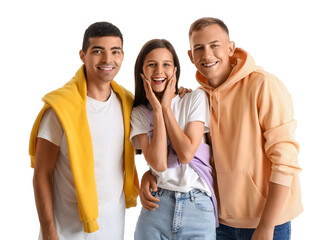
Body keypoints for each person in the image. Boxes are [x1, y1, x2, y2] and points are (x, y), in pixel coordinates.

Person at [140, 17, 303, 240]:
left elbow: (285, 161)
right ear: (190, 56)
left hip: (266, 221)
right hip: (218, 221)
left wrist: (266, 226)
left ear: (230, 48)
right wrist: (150, 174)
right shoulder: (197, 96)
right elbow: (195, 157)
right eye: (199, 48)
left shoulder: (263, 85)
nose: (207, 55)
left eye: (214, 45)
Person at [29, 22, 139, 240]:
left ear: (123, 55)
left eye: (115, 51)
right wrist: (50, 233)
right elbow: (41, 175)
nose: (108, 60)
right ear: (83, 55)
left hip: (112, 230)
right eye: (98, 51)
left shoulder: (128, 104)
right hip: (64, 233)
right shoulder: (60, 109)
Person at [130, 39, 217, 239]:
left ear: (175, 70)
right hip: (156, 205)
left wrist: (167, 107)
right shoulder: (140, 113)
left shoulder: (194, 98)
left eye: (166, 64)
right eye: (151, 64)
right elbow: (159, 164)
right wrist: (158, 109)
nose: (159, 71)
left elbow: (186, 154)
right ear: (141, 72)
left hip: (197, 206)